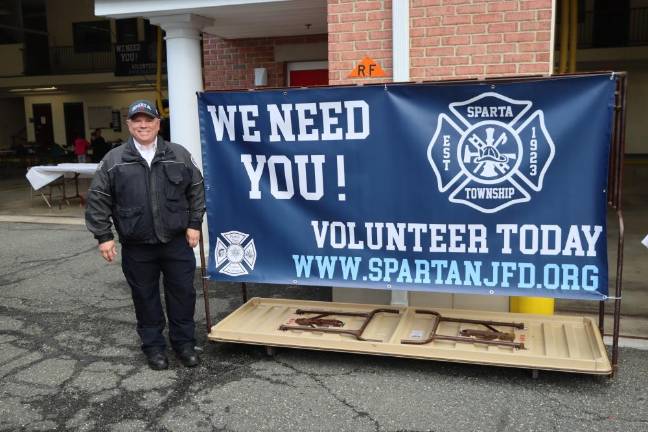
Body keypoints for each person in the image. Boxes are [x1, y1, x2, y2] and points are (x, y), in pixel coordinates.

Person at [85, 100, 206, 370]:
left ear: (158, 124)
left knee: (183, 294)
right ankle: (154, 347)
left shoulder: (179, 154)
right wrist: (103, 236)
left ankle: (184, 344)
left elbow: (197, 190)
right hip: (137, 246)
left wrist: (194, 223)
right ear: (129, 124)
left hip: (176, 242)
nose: (143, 125)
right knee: (145, 297)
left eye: (148, 120)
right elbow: (98, 200)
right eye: (137, 120)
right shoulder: (114, 160)